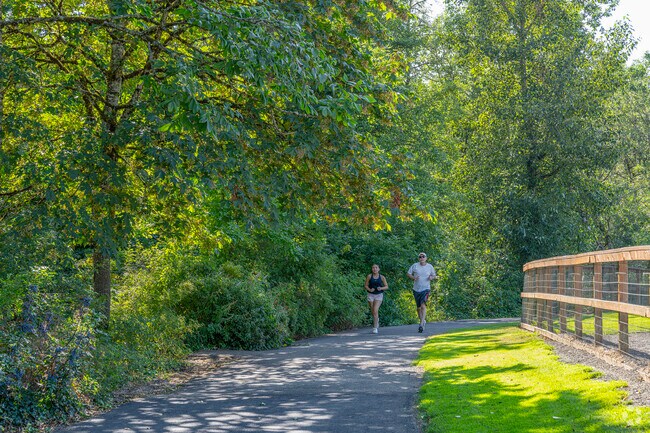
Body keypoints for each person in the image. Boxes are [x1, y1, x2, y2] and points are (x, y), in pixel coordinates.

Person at [407, 252, 437, 333]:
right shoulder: (415, 265)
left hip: (426, 289)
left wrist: (431, 277)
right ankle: (422, 321)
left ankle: (421, 324)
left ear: (426, 258)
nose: (422, 258)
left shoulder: (429, 266)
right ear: (418, 258)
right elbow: (408, 273)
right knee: (418, 308)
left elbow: (434, 275)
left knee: (423, 305)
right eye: (420, 257)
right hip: (416, 289)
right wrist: (413, 277)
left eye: (423, 256)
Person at [365, 264, 388, 334]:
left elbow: (386, 286)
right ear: (372, 269)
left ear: (378, 269)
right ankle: (376, 319)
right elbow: (365, 285)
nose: (374, 269)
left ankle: (375, 328)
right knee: (373, 311)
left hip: (379, 295)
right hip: (371, 295)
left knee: (375, 310)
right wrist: (369, 289)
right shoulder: (369, 276)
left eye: (376, 268)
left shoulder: (382, 277)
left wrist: (381, 288)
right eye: (373, 268)